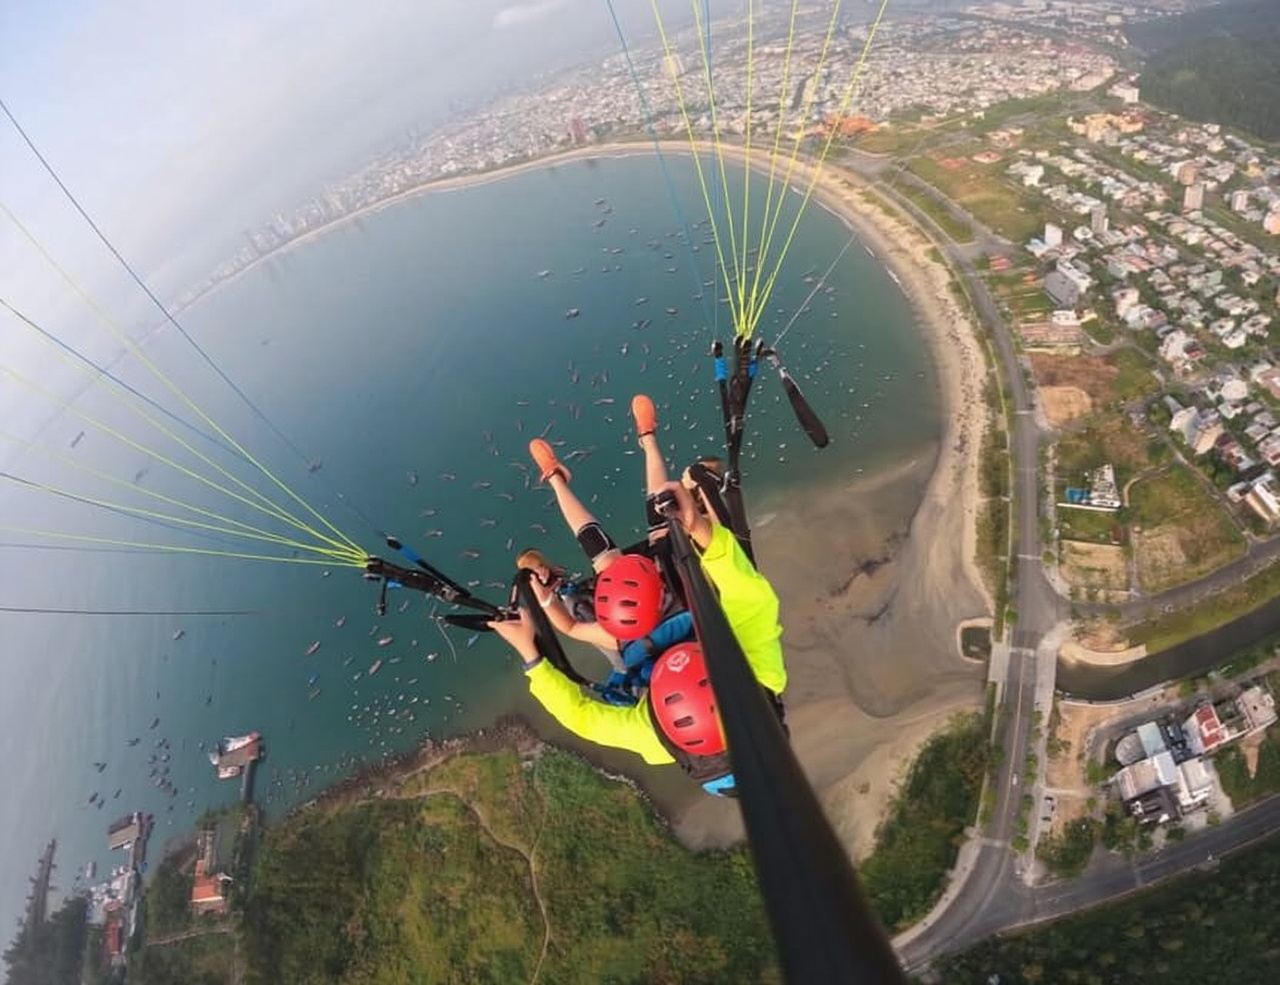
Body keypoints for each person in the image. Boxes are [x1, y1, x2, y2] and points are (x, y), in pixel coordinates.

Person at [490, 481, 786, 796]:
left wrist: (701, 531)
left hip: (666, 629)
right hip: (640, 641)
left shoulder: (761, 677)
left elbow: (751, 598)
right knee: (597, 605)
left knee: (604, 598)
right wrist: (531, 655)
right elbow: (581, 717)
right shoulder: (656, 736)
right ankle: (555, 592)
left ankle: (557, 593)